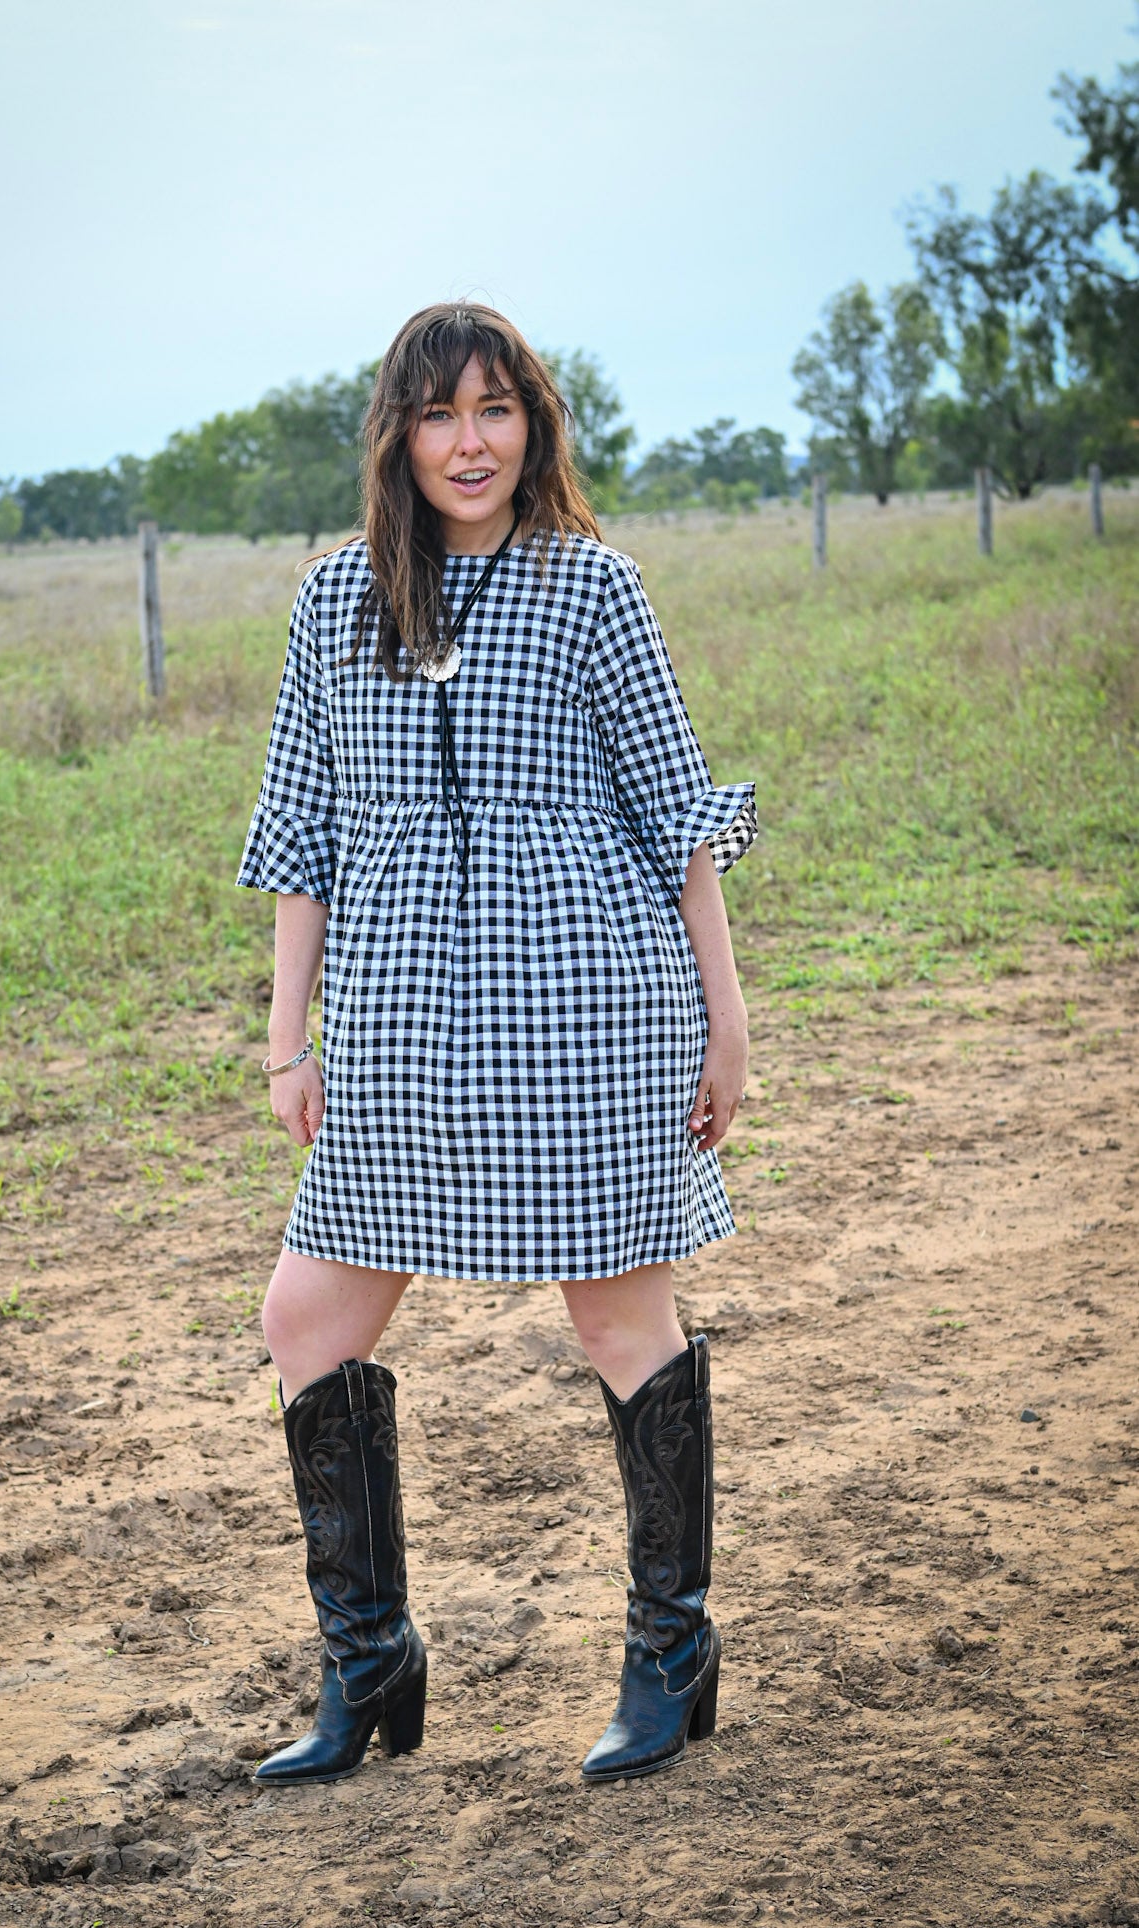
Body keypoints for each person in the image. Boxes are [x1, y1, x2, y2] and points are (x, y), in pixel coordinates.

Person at [235, 302, 757, 1786]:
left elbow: (678, 822)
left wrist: (725, 1025)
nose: (469, 443)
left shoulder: (595, 588)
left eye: (495, 410)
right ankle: (369, 1663)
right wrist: (289, 1042)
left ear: (533, 425)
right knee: (306, 1317)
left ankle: (670, 1647)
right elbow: (304, 831)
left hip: (590, 1000)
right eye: (437, 414)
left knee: (616, 1321)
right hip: (396, 1012)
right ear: (397, 437)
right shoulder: (335, 599)